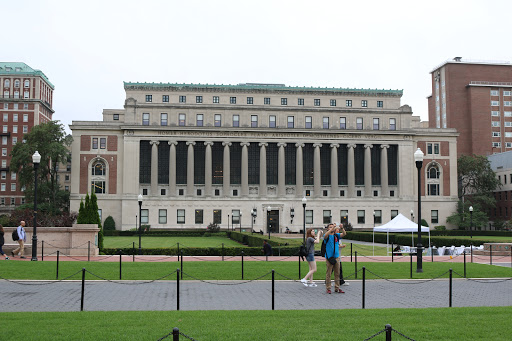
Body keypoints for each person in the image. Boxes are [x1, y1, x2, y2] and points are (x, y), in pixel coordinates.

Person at [323, 222, 346, 294]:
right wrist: (331, 229)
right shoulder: (327, 236)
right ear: (327, 229)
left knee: (337, 273)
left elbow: (344, 234)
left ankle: (337, 287)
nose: (332, 228)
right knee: (329, 273)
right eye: (330, 227)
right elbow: (325, 236)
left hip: (336, 257)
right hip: (329, 257)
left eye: (333, 227)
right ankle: (328, 288)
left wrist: (342, 228)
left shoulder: (336, 235)